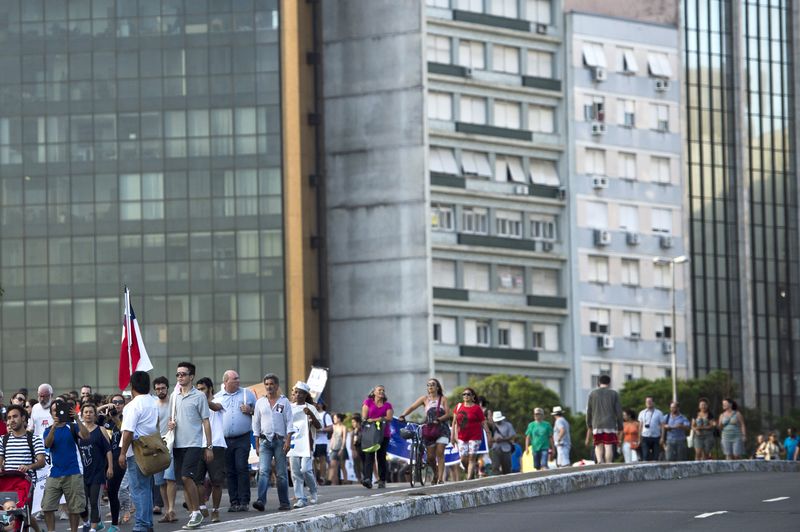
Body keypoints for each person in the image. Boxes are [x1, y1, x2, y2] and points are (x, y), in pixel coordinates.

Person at [168, 362, 212, 529]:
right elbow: (171, 420)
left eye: (183, 374)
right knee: (184, 481)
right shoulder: (174, 396)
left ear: (191, 376)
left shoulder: (199, 396)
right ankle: (193, 513)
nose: (180, 377)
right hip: (177, 444)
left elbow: (206, 421)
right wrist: (170, 424)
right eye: (178, 374)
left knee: (187, 477)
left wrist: (209, 446)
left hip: (194, 444)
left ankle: (196, 511)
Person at [118, 371, 158, 532]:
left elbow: (128, 432)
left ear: (132, 385)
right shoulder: (153, 402)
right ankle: (147, 523)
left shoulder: (132, 405)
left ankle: (142, 524)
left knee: (138, 489)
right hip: (151, 448)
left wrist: (122, 453)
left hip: (136, 451)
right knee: (146, 488)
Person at [42, 398, 90, 532]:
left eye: (58, 410)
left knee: (75, 508)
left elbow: (86, 436)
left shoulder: (72, 426)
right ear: (51, 414)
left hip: (73, 472)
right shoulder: (48, 430)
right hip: (54, 473)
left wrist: (77, 419)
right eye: (54, 411)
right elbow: (47, 444)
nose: (57, 413)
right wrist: (54, 426)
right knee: (47, 507)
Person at [214, 370, 256, 513]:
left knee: (241, 467)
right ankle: (234, 502)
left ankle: (244, 501)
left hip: (242, 437)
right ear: (226, 381)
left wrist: (250, 410)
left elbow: (258, 412)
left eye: (238, 378)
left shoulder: (247, 394)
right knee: (230, 470)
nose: (238, 381)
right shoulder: (217, 398)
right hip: (224, 439)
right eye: (234, 379)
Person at [0, 404, 45, 532]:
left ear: (23, 418)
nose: (11, 420)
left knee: (23, 513)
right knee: (8, 512)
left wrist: (29, 466)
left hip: (26, 483)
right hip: (7, 483)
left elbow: (41, 462)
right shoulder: (3, 439)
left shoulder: (34, 439)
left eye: (15, 416)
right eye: (9, 418)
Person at [251, 373, 293, 512]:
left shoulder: (284, 401)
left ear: (277, 385)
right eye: (267, 384)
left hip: (280, 441)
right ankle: (260, 501)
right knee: (263, 471)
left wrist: (288, 440)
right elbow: (256, 424)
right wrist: (257, 444)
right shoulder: (260, 402)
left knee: (281, 474)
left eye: (272, 384)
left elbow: (289, 422)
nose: (269, 387)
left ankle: (284, 503)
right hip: (264, 441)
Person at [397, 378, 450, 484]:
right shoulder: (424, 399)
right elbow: (412, 407)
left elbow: (448, 414)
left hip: (442, 428)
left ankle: (440, 478)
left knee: (440, 452)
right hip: (430, 430)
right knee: (430, 458)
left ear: (437, 387)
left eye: (433, 384)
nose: (430, 386)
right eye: (428, 385)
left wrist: (439, 419)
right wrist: (403, 415)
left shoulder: (443, 399)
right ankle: (435, 473)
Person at [194, 378, 226, 523]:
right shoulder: (196, 402)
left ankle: (215, 510)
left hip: (216, 445)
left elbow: (216, 407)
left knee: (216, 481)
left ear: (210, 389)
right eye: (198, 389)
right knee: (197, 480)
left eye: (203, 389)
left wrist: (202, 399)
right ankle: (202, 506)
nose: (200, 392)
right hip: (197, 445)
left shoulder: (220, 399)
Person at [77, 403, 113, 532]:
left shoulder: (101, 430)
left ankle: (94, 527)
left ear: (95, 415)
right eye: (86, 412)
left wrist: (110, 467)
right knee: (81, 503)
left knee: (94, 502)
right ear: (82, 415)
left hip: (97, 471)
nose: (88, 414)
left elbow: (108, 450)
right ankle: (87, 522)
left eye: (91, 412)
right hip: (81, 473)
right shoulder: (77, 430)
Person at [288, 381, 322, 508]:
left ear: (305, 395)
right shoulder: (289, 407)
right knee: (295, 472)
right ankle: (300, 498)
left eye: (300, 393)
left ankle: (313, 490)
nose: (297, 395)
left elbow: (319, 426)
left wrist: (311, 414)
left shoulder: (311, 408)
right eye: (295, 392)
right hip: (293, 443)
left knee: (305, 469)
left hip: (307, 444)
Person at [97, 394, 125, 532]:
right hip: (102, 459)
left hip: (117, 458)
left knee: (112, 491)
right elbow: (87, 415)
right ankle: (97, 521)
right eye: (114, 402)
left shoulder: (126, 419)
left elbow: (126, 434)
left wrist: (116, 419)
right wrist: (105, 407)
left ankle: (114, 524)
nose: (117, 404)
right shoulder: (103, 419)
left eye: (120, 402)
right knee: (95, 492)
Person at [451, 387, 492, 480]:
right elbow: (454, 422)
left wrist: (488, 434)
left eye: (468, 394)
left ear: (473, 396)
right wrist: (452, 436)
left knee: (472, 457)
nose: (466, 396)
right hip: (462, 437)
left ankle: (469, 478)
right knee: (463, 458)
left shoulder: (477, 408)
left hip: (475, 436)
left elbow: (483, 422)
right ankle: (469, 470)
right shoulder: (458, 406)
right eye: (464, 394)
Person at [152, 377, 177, 524]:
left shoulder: (174, 403)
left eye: (162, 388)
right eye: (157, 389)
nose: (160, 391)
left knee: (170, 478)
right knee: (161, 481)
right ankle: (167, 510)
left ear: (167, 388)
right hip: (157, 445)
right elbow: (151, 427)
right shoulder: (154, 406)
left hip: (172, 444)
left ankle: (171, 509)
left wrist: (175, 423)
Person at [585, 375, 623, 464]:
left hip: (596, 423)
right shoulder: (614, 394)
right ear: (609, 382)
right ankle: (608, 463)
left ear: (599, 382)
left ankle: (600, 461)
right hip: (610, 424)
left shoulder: (592, 394)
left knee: (598, 444)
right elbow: (618, 411)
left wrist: (589, 424)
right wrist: (620, 425)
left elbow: (589, 410)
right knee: (608, 445)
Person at [361, 385, 394, 488]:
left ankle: (382, 480)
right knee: (369, 455)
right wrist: (379, 419)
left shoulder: (387, 405)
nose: (381, 392)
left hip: (384, 434)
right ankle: (367, 479)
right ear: (374, 392)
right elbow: (364, 417)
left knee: (381, 456)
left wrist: (376, 419)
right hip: (371, 433)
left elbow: (389, 418)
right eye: (379, 390)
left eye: (383, 390)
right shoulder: (368, 402)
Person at [637, 396, 664, 461]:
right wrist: (639, 438)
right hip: (645, 436)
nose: (648, 403)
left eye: (650, 401)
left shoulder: (659, 413)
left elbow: (662, 426)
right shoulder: (642, 413)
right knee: (645, 455)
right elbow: (640, 426)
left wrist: (662, 437)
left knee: (656, 456)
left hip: (656, 437)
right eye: (647, 402)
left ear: (653, 402)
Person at [313, 401, 333, 485]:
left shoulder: (325, 415)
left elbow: (330, 428)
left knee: (322, 459)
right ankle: (315, 477)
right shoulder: (312, 414)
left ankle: (322, 477)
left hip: (322, 441)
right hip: (313, 441)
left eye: (317, 404)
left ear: (321, 405)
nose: (315, 405)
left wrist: (320, 430)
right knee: (312, 459)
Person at [327, 414, 347, 485]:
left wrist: (342, 448)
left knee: (342, 466)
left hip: (341, 448)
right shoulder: (333, 426)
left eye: (335, 418)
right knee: (333, 465)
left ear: (339, 419)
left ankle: (345, 481)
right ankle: (331, 481)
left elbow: (344, 438)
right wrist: (330, 447)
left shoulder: (343, 427)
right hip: (333, 448)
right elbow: (332, 437)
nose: (334, 419)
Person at [350, 414, 364, 483]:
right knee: (356, 465)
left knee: (363, 465)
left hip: (363, 449)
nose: (352, 424)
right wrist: (353, 450)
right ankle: (359, 478)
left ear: (358, 422)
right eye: (352, 422)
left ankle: (365, 478)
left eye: (354, 422)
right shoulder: (353, 432)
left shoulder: (363, 429)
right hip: (356, 449)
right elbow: (352, 443)